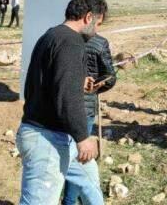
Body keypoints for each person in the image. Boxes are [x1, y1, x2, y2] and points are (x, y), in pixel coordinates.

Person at [17, 0, 107, 205]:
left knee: (91, 184)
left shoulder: (52, 35)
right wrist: (83, 138)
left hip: (57, 134)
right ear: (88, 17)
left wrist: (78, 82)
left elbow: (50, 82)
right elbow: (66, 96)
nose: (97, 31)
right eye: (98, 23)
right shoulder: (71, 42)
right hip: (47, 137)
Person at [63, 33, 117, 205]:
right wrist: (98, 87)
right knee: (80, 160)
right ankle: (69, 201)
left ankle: (69, 199)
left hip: (62, 107)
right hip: (85, 108)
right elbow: (110, 76)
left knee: (69, 156)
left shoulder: (62, 38)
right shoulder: (99, 42)